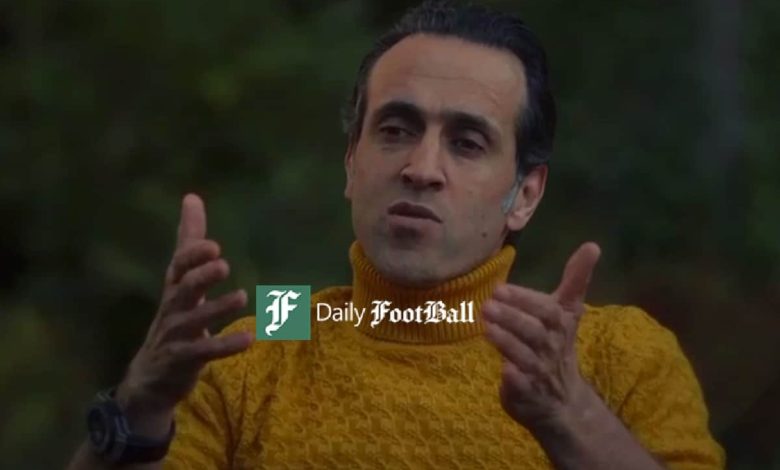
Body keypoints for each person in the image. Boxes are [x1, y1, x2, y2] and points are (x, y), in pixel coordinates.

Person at [67, 1, 725, 469]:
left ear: (525, 194)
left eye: (467, 143)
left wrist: (570, 417)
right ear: (351, 163)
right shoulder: (272, 327)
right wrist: (138, 408)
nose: (421, 167)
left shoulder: (615, 350)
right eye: (395, 130)